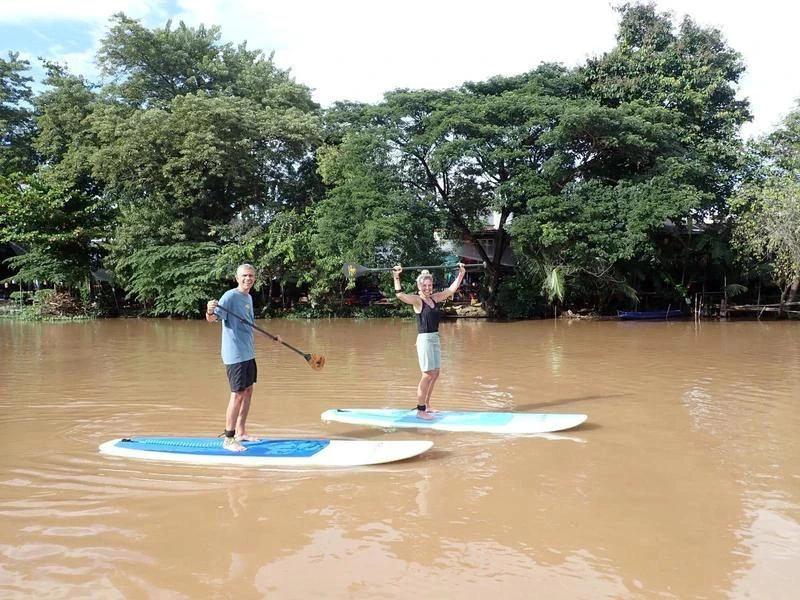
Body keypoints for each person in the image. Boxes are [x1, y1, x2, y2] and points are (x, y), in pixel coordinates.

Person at [206, 264, 278, 452]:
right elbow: (212, 319)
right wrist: (209, 310)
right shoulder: (230, 296)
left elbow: (251, 326)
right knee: (237, 395)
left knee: (248, 392)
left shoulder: (249, 298)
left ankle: (240, 432)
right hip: (234, 354)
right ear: (237, 278)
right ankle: (228, 439)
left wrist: (271, 337)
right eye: (245, 275)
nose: (248, 278)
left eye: (251, 276)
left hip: (248, 353)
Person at [392, 263, 466, 419]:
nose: (427, 288)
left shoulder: (435, 298)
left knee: (436, 373)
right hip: (424, 339)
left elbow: (451, 290)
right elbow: (400, 295)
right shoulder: (417, 301)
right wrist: (396, 276)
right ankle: (420, 410)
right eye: (424, 285)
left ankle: (427, 404)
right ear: (419, 286)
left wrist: (461, 274)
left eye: (429, 285)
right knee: (427, 375)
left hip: (435, 338)